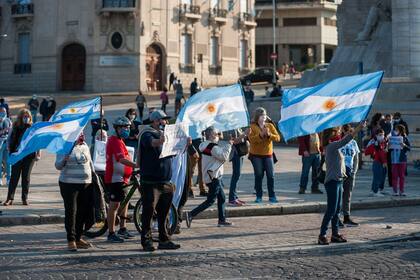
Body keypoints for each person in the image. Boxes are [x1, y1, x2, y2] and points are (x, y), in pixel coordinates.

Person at [138, 109, 181, 251]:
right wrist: (161, 140)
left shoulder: (166, 136)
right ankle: (147, 241)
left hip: (165, 181)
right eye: (164, 120)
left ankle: (164, 239)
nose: (166, 122)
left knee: (164, 214)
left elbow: (173, 153)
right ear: (156, 121)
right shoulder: (147, 133)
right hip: (151, 182)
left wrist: (184, 143)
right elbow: (153, 143)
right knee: (148, 213)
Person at [318, 122, 365, 245]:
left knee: (337, 209)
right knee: (331, 210)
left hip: (338, 180)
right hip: (332, 182)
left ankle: (335, 234)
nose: (339, 132)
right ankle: (322, 235)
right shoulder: (331, 146)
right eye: (336, 131)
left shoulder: (334, 146)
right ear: (331, 135)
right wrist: (358, 128)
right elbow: (346, 140)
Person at [185, 126, 233, 228]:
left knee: (222, 197)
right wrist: (229, 144)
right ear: (211, 135)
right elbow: (223, 156)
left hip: (213, 176)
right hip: (213, 177)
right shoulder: (211, 146)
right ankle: (191, 214)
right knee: (210, 200)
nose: (218, 136)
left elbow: (218, 155)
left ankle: (222, 220)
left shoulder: (208, 146)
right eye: (217, 134)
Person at [55, 132, 94, 251]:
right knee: (72, 211)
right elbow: (58, 165)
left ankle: (78, 237)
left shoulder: (85, 145)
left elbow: (90, 162)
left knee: (83, 212)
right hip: (68, 183)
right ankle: (71, 240)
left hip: (85, 183)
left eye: (82, 133)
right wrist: (64, 160)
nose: (81, 135)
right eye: (78, 133)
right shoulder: (64, 146)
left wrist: (94, 177)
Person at [105, 117, 137, 243]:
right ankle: (111, 233)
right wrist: (136, 165)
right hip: (115, 178)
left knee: (125, 202)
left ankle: (122, 228)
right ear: (117, 128)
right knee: (114, 205)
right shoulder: (114, 141)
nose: (127, 129)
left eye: (128, 127)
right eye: (124, 127)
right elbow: (121, 159)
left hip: (124, 177)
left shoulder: (120, 140)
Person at [3, 109, 39, 206]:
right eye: (24, 116)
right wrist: (10, 151)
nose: (26, 118)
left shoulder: (33, 128)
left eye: (28, 117)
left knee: (25, 177)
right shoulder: (15, 127)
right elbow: (9, 139)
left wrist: (38, 153)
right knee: (14, 177)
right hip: (17, 154)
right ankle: (9, 198)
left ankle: (24, 198)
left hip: (29, 156)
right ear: (20, 117)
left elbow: (38, 141)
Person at [248, 107, 281, 203]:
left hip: (268, 154)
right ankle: (259, 196)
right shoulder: (252, 127)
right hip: (256, 155)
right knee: (258, 175)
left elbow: (278, 138)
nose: (264, 117)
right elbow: (251, 140)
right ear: (257, 117)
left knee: (271, 176)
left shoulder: (270, 126)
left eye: (265, 115)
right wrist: (260, 135)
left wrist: (270, 135)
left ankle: (272, 196)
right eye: (262, 116)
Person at [339, 124, 360, 226]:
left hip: (350, 172)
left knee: (347, 195)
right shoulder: (339, 142)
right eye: (347, 131)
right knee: (338, 196)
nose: (349, 133)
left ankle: (346, 217)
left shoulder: (354, 143)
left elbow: (356, 158)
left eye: (351, 132)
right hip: (340, 172)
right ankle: (337, 217)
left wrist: (354, 171)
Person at [225, 128, 248, 206]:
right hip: (235, 154)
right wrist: (244, 134)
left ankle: (235, 197)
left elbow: (242, 139)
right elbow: (234, 141)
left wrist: (246, 135)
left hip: (240, 153)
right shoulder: (232, 127)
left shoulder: (239, 127)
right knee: (236, 175)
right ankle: (232, 199)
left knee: (237, 176)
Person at [365, 129, 388, 196]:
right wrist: (384, 162)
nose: (382, 136)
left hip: (383, 161)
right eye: (380, 135)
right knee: (377, 177)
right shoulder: (374, 142)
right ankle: (375, 191)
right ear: (376, 135)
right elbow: (369, 151)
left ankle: (378, 190)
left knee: (382, 177)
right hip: (378, 161)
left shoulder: (384, 141)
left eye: (383, 134)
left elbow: (384, 152)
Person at [389, 124, 411, 196]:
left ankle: (402, 191)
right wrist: (389, 145)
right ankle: (395, 191)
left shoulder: (404, 138)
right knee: (394, 175)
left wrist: (404, 145)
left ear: (400, 130)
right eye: (395, 129)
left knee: (402, 176)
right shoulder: (391, 137)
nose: (396, 131)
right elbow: (388, 148)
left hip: (402, 159)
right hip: (394, 159)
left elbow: (409, 148)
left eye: (397, 129)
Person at [0, 107, 12, 186]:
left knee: (8, 162)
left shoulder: (8, 120)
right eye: (1, 112)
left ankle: (8, 179)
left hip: (7, 143)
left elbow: (11, 131)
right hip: (0, 143)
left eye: (4, 111)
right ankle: (0, 178)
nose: (3, 113)